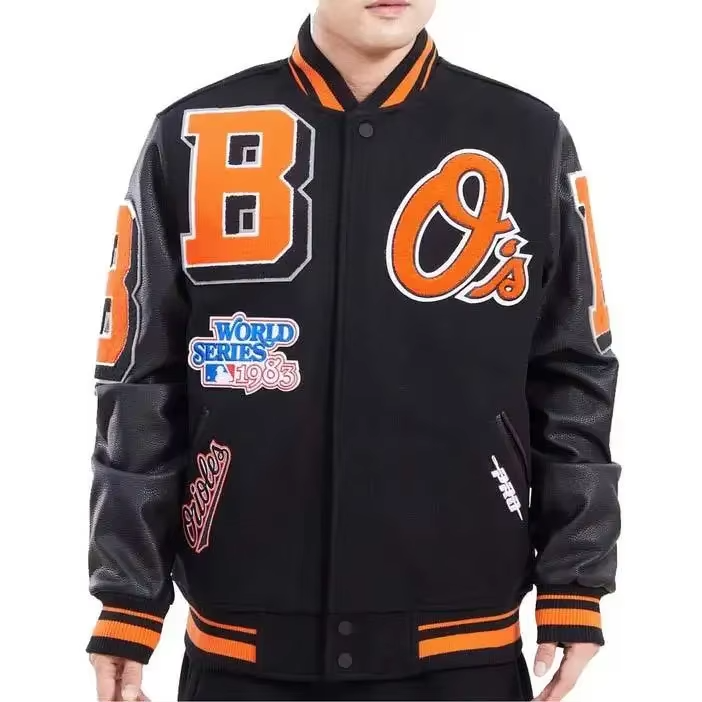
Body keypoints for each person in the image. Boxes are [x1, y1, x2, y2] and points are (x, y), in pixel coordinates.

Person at [86, 0, 621, 700]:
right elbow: (140, 378)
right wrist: (127, 599)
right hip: (244, 645)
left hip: (462, 645)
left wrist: (575, 578)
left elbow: (573, 369)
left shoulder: (525, 135)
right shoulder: (191, 132)